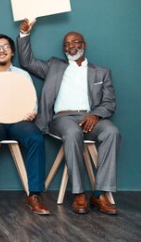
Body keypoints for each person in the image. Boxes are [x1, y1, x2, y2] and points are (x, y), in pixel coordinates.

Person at [18, 19, 120, 215]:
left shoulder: (101, 72)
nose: (70, 46)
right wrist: (24, 34)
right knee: (73, 132)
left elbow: (109, 103)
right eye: (66, 43)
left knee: (112, 132)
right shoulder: (54, 66)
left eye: (75, 42)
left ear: (84, 45)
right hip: (62, 119)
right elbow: (27, 61)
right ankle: (79, 193)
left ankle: (99, 194)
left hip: (92, 118)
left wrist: (95, 115)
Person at [0, 34, 49, 215]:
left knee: (36, 138)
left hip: (19, 121)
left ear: (12, 52)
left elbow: (32, 103)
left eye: (6, 47)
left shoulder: (23, 75)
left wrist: (31, 113)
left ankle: (35, 194)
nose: (2, 50)